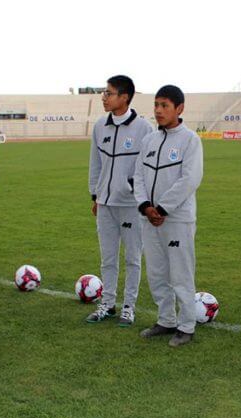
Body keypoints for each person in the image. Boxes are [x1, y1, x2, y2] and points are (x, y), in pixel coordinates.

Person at [134, 85, 203, 347]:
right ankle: (166, 320)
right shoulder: (149, 140)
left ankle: (186, 325)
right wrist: (145, 207)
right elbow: (138, 176)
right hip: (148, 219)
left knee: (181, 273)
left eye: (164, 105)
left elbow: (190, 179)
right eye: (156, 105)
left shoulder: (190, 140)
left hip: (177, 219)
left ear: (179, 108)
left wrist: (162, 209)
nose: (158, 111)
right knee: (157, 272)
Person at [86, 75, 154, 326]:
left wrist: (140, 198)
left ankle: (128, 307)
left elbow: (147, 168)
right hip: (105, 204)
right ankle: (107, 304)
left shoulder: (144, 128)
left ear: (124, 97)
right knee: (108, 258)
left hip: (131, 206)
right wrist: (96, 194)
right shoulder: (99, 126)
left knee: (133, 257)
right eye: (104, 92)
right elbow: (95, 164)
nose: (104, 97)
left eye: (109, 93)